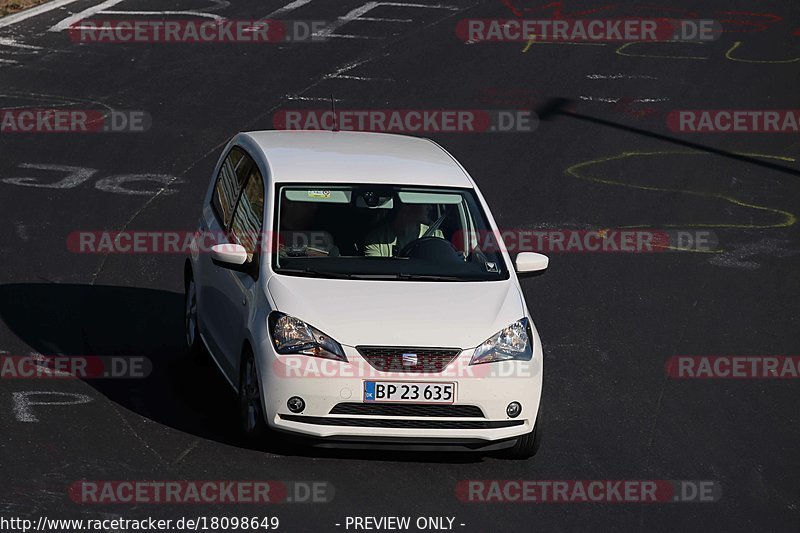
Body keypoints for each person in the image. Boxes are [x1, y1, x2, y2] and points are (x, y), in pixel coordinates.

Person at [363, 202, 444, 257]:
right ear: (407, 205)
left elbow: (441, 267)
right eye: (425, 203)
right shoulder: (376, 239)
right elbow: (377, 276)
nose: (430, 208)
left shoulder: (436, 236)